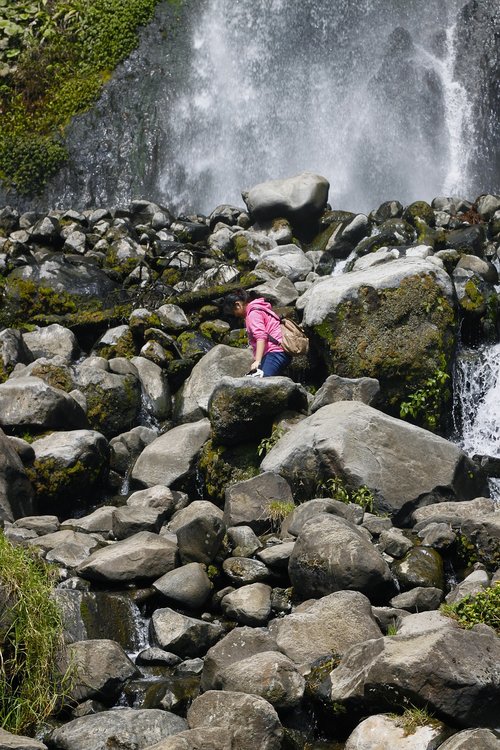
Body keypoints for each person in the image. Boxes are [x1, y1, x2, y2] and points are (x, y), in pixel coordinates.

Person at [223, 290, 291, 376]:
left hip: (275, 352)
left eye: (233, 313)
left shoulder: (253, 313)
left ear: (238, 305)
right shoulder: (259, 307)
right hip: (280, 351)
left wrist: (257, 361)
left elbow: (261, 337)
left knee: (264, 384)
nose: (235, 316)